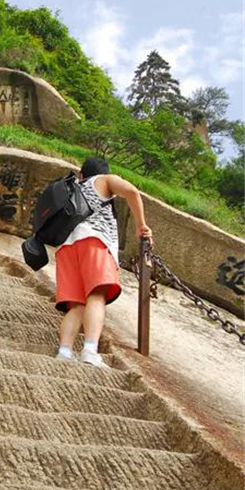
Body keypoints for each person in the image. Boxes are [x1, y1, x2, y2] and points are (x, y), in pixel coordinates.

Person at [54, 156, 152, 369]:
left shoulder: (72, 188)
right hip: (94, 241)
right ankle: (90, 350)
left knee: (77, 305)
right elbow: (132, 192)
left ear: (81, 174)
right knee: (96, 295)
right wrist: (141, 226)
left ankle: (64, 351)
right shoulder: (104, 180)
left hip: (66, 248)